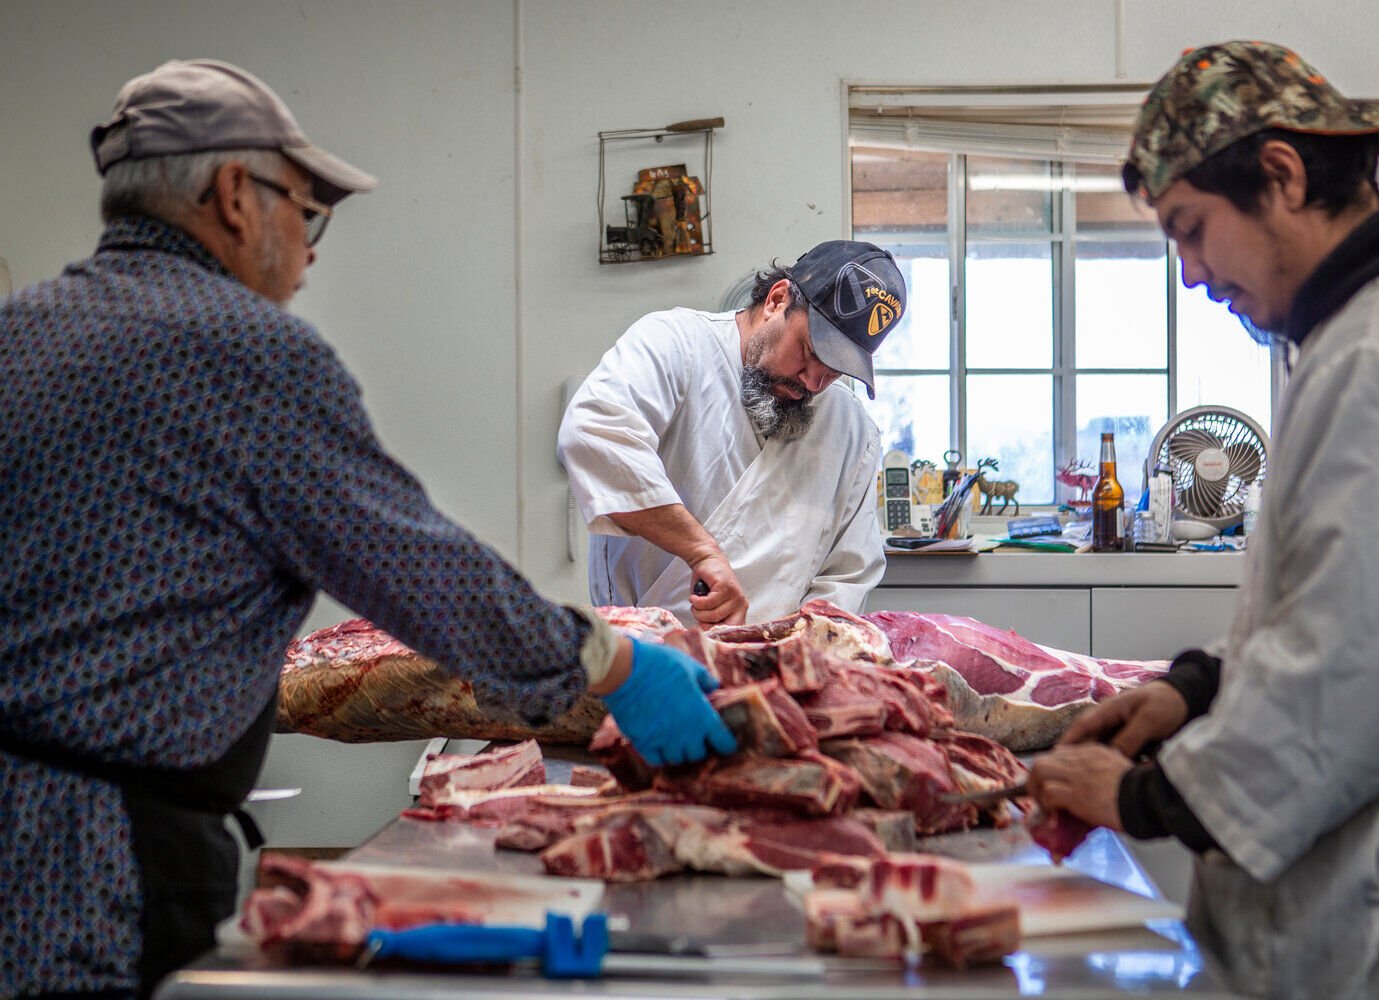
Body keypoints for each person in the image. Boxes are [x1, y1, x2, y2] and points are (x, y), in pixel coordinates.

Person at [0, 59, 734, 999]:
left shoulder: (20, 333)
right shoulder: (243, 351)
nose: (310, 253)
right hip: (91, 862)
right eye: (305, 214)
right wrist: (618, 666)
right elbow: (416, 568)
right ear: (232, 195)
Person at [1028, 41, 1379, 1000]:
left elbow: (1360, 680)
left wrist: (1142, 797)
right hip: (1374, 876)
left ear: (1281, 176)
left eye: (1192, 229)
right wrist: (1194, 688)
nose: (1193, 275)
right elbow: (1348, 603)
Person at [558, 240, 905, 627]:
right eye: (809, 351)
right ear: (777, 300)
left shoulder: (853, 431)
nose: (815, 381)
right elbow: (595, 432)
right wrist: (702, 552)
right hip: (648, 655)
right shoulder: (677, 343)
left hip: (774, 668)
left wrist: (796, 658)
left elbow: (847, 577)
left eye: (836, 369)